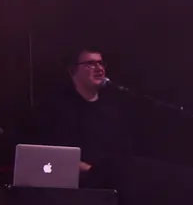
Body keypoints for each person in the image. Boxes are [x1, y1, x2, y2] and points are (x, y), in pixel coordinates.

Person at [32, 47, 133, 187]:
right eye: (90, 64)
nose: (99, 69)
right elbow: (55, 156)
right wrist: (97, 172)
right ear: (73, 70)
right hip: (75, 186)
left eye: (101, 63)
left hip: (113, 185)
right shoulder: (57, 109)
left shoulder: (113, 109)